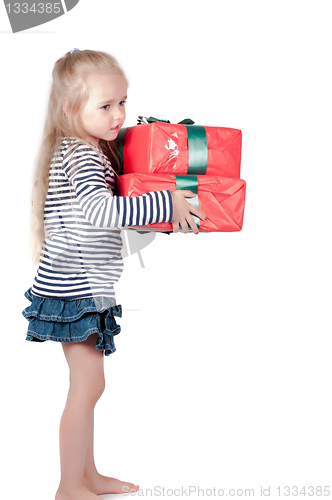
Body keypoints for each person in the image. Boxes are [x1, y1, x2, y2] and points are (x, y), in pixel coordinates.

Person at [22, 49, 206, 500]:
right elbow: (102, 211)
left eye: (122, 102)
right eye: (105, 106)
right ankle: (69, 485)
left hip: (86, 287)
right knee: (87, 387)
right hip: (73, 290)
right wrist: (168, 203)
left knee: (90, 386)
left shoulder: (88, 151)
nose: (118, 114)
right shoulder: (81, 156)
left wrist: (157, 208)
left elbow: (110, 211)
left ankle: (88, 476)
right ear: (71, 109)